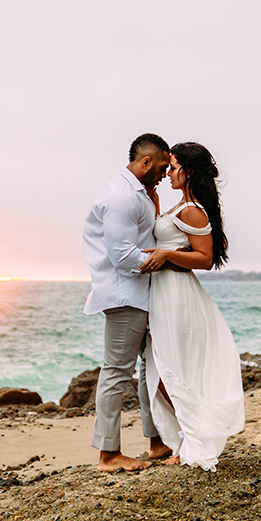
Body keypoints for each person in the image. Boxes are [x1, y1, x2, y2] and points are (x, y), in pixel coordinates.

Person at [138, 141, 245, 471]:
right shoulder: (179, 207)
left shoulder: (193, 210)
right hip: (164, 294)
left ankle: (192, 441)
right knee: (165, 368)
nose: (168, 172)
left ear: (189, 170)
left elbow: (206, 258)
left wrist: (167, 255)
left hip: (178, 298)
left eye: (173, 167)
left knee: (174, 369)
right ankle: (187, 439)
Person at [82, 133, 174, 472]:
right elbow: (121, 255)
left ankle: (157, 441)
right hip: (125, 294)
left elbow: (142, 237)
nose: (166, 173)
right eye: (163, 166)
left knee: (150, 367)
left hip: (143, 294)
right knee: (115, 372)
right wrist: (168, 260)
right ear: (146, 162)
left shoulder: (141, 195)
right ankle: (108, 454)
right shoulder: (121, 198)